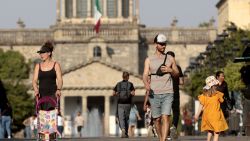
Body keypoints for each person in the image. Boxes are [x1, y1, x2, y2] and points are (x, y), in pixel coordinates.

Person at [142, 33, 179, 141]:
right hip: (154, 93)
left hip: (168, 91)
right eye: (161, 44)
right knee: (157, 119)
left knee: (166, 116)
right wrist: (146, 84)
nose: (163, 46)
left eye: (165, 44)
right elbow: (144, 74)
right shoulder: (149, 60)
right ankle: (160, 138)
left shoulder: (170, 58)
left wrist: (170, 70)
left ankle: (163, 140)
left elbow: (177, 74)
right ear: (156, 44)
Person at [194, 76, 228, 141]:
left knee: (210, 131)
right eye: (216, 85)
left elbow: (200, 106)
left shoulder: (204, 95)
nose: (217, 86)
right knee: (216, 132)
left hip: (207, 116)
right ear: (214, 86)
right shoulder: (217, 94)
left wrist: (196, 116)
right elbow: (222, 101)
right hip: (216, 116)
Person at [32, 41, 63, 109]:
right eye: (40, 53)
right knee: (41, 117)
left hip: (53, 95)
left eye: (43, 53)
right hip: (41, 95)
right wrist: (36, 90)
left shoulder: (56, 65)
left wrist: (59, 89)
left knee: (52, 117)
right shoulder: (38, 66)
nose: (41, 55)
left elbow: (60, 80)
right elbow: (34, 81)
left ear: (49, 53)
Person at [166, 51, 184, 139]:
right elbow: (181, 82)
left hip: (165, 92)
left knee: (166, 112)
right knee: (176, 111)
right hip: (175, 91)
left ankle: (166, 131)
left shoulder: (163, 68)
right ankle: (174, 126)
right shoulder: (178, 68)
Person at [113, 71, 135, 138]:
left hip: (120, 103)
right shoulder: (130, 84)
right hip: (128, 104)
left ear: (122, 77)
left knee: (121, 118)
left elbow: (113, 93)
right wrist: (129, 94)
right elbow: (133, 94)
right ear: (128, 77)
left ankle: (123, 129)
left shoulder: (118, 84)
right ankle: (125, 132)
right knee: (126, 118)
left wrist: (118, 94)